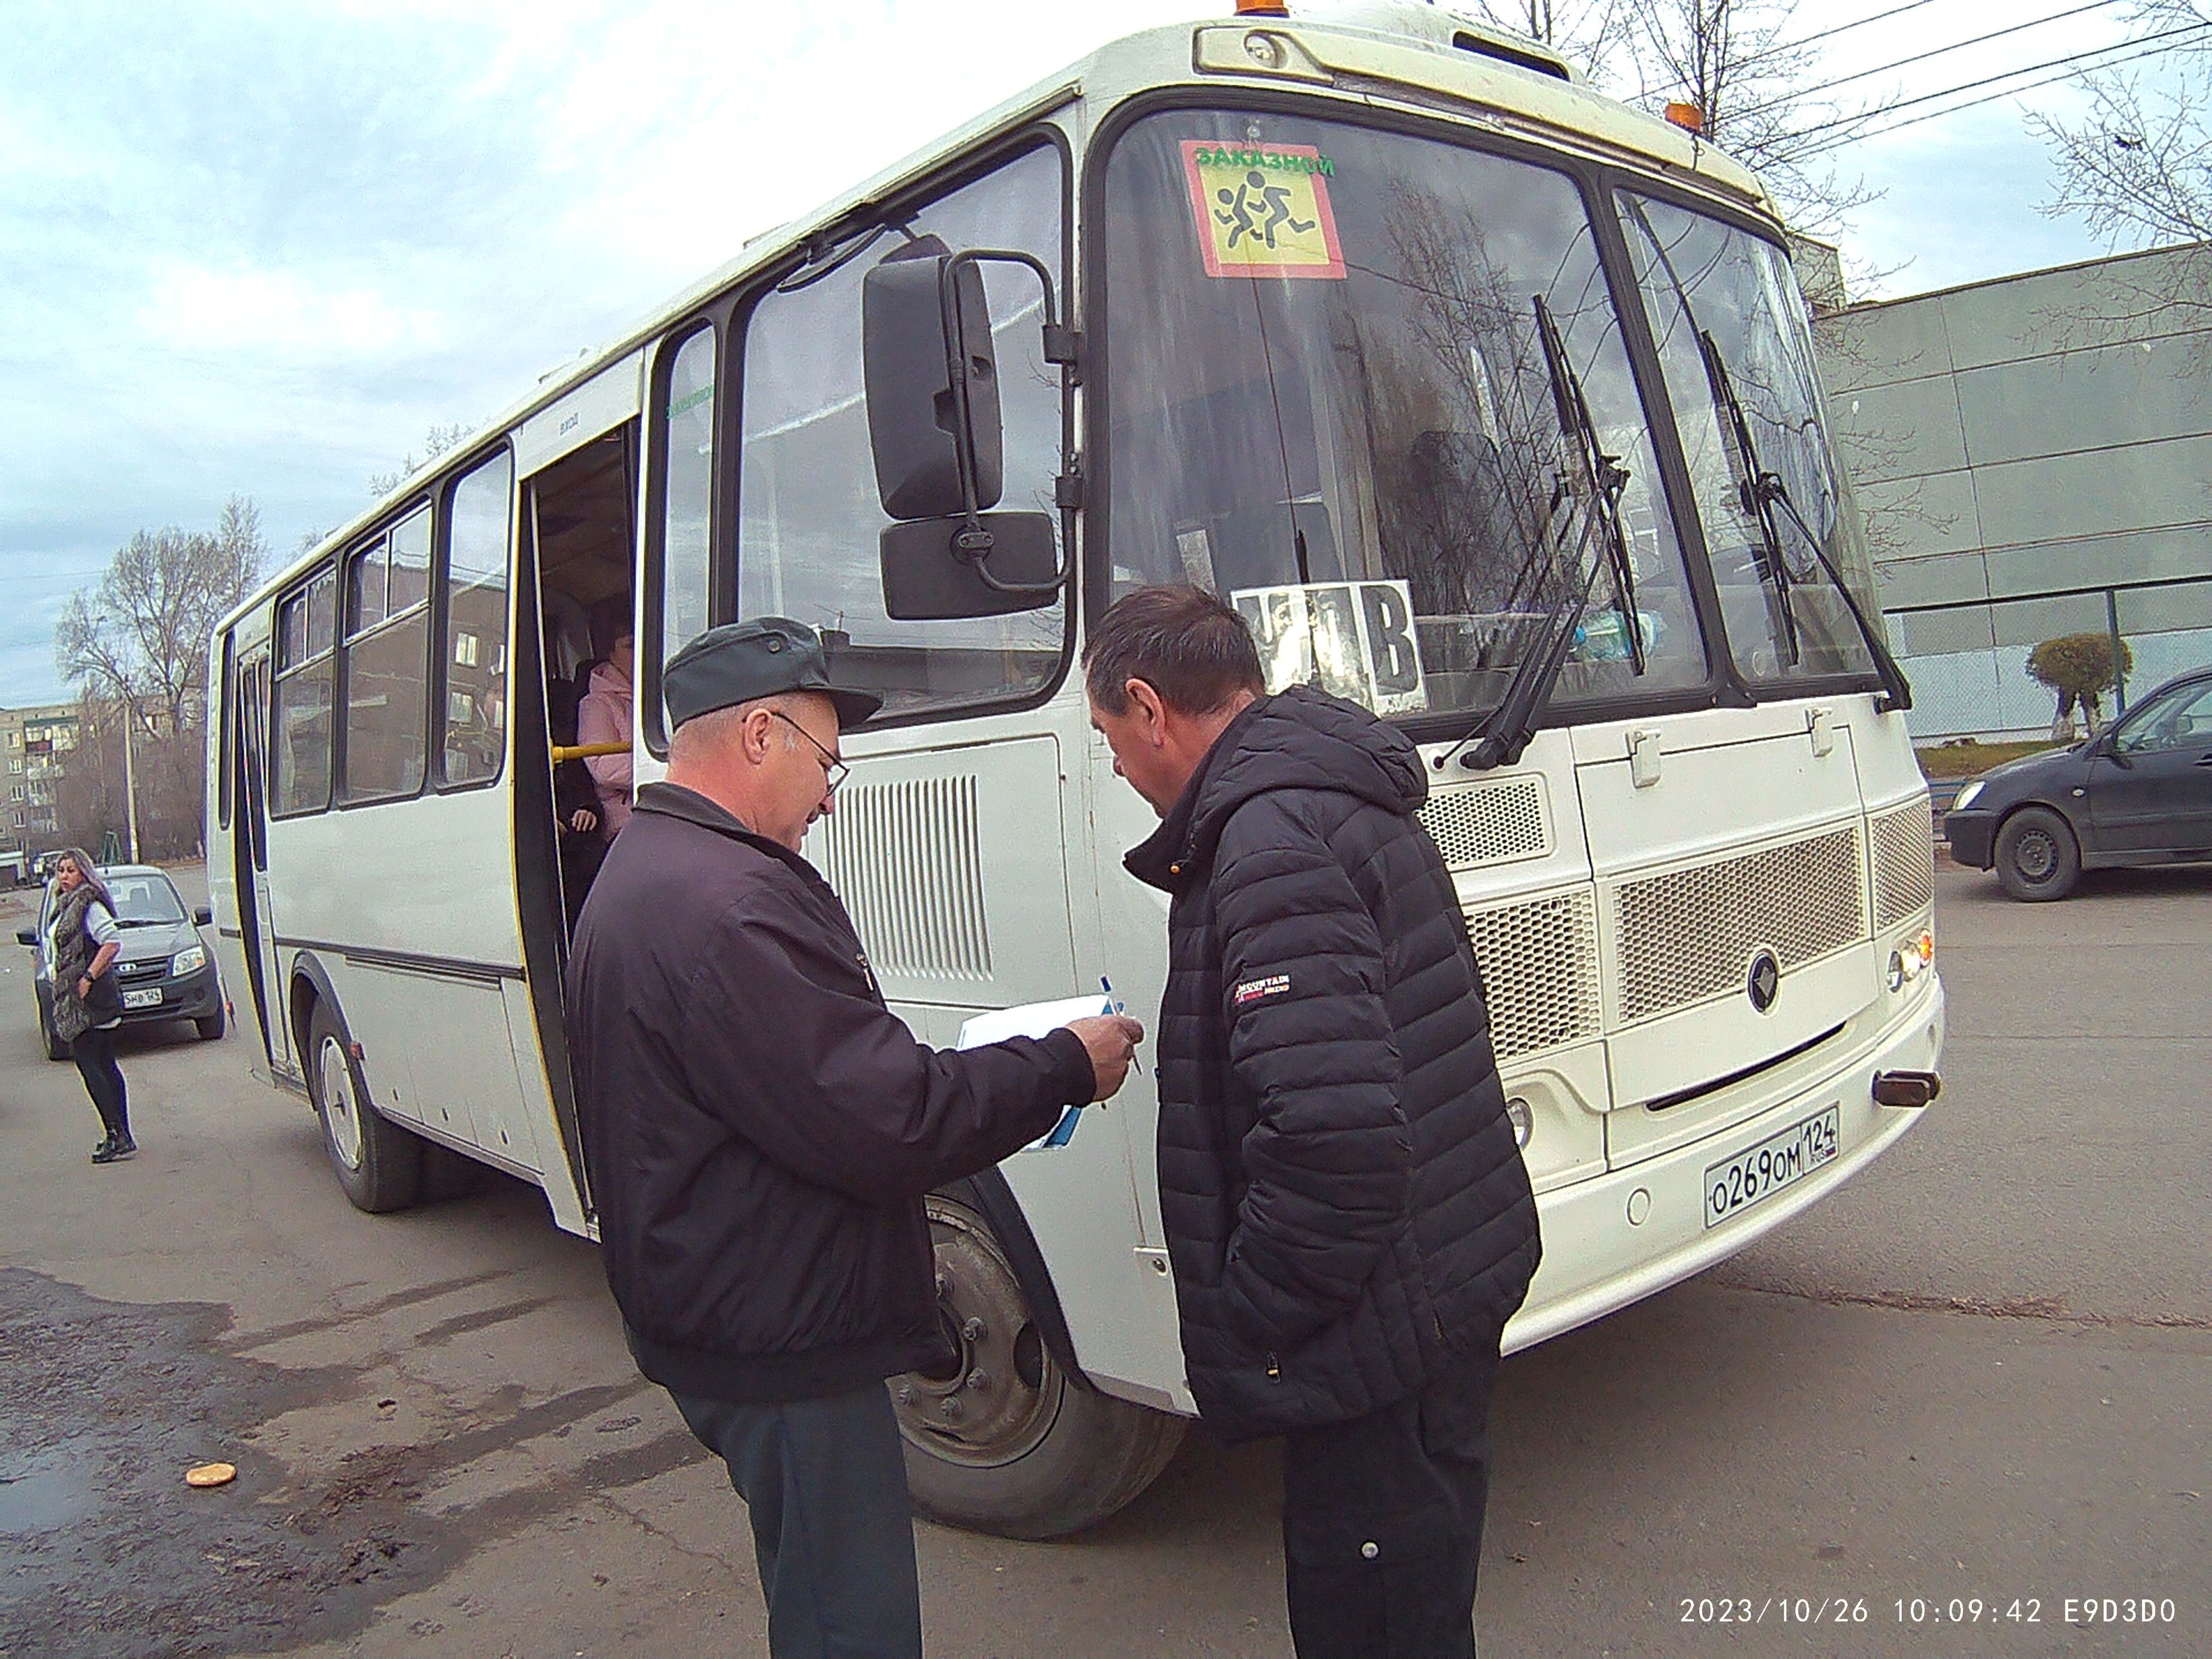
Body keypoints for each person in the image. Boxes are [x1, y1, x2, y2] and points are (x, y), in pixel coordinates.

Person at [564, 616, 1143, 1659]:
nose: (832, 792)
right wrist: (1061, 1064)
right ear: (757, 736)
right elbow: (889, 1118)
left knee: (817, 1592)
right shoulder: (730, 904)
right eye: (827, 759)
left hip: (729, 1309)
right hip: (779, 1339)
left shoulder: (652, 868)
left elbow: (812, 1083)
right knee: (849, 1623)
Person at [1084, 585, 1540, 1659]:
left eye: (1107, 735)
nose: (1113, 764)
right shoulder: (1325, 793)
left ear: (1149, 707)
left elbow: (1336, 1141)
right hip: (1426, 1302)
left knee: (1376, 1627)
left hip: (1371, 1340)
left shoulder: (1267, 839)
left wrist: (1256, 1310)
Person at [45, 849, 134, 1163]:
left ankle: (115, 1135)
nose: (65, 876)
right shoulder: (64, 906)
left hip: (90, 999)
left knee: (92, 1064)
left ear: (83, 873)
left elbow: (112, 941)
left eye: (71, 870)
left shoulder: (88, 904)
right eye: (61, 870)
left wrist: (88, 976)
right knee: (104, 1063)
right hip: (78, 997)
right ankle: (121, 1134)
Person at [577, 597, 636, 838]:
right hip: (624, 825)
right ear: (610, 653)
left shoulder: (653, 697)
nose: (639, 652)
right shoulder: (596, 704)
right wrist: (663, 765)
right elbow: (605, 768)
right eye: (630, 646)